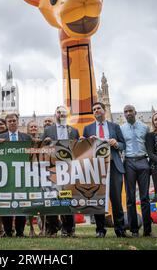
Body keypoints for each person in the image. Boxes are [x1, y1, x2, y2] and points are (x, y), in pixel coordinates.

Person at [83, 102, 127, 238]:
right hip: (96, 167)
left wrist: (116, 143)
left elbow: (123, 145)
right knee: (98, 199)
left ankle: (120, 229)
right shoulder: (88, 128)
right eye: (94, 109)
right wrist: (85, 142)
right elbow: (84, 148)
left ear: (104, 110)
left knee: (116, 200)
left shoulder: (114, 126)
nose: (96, 111)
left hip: (113, 166)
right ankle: (100, 230)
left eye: (98, 108)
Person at [42, 105, 80, 237]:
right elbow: (41, 148)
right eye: (58, 112)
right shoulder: (48, 130)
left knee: (67, 198)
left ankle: (68, 229)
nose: (61, 114)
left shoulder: (74, 131)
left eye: (63, 112)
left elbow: (79, 150)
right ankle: (52, 228)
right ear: (55, 115)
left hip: (68, 169)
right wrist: (45, 142)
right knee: (52, 197)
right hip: (52, 168)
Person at [0, 113, 32, 237]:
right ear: (6, 123)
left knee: (22, 202)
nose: (12, 123)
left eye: (14, 120)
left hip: (22, 174)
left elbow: (33, 153)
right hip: (5, 175)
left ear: (18, 122)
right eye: (9, 121)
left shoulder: (26, 138)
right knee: (6, 203)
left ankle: (20, 231)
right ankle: (8, 231)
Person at [120, 105, 152, 237]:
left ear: (135, 112)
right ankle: (134, 230)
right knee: (130, 198)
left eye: (130, 111)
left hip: (143, 161)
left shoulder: (145, 127)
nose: (128, 114)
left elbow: (150, 147)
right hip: (129, 162)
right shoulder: (121, 128)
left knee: (145, 197)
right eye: (126, 112)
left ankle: (147, 230)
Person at [26, 120, 45, 237]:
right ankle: (31, 229)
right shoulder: (24, 141)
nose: (33, 128)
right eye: (31, 126)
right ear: (28, 129)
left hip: (41, 173)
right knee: (29, 203)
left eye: (35, 126)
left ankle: (43, 228)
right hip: (28, 173)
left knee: (43, 202)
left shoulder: (44, 140)